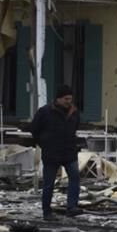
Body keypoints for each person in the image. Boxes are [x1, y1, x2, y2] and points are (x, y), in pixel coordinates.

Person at [30, 84, 83, 220]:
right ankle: (47, 211)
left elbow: (75, 127)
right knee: (49, 183)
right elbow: (34, 129)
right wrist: (44, 144)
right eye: (66, 99)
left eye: (70, 99)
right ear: (58, 99)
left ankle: (72, 207)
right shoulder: (45, 112)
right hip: (51, 153)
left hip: (69, 151)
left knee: (75, 177)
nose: (68, 102)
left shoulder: (74, 112)